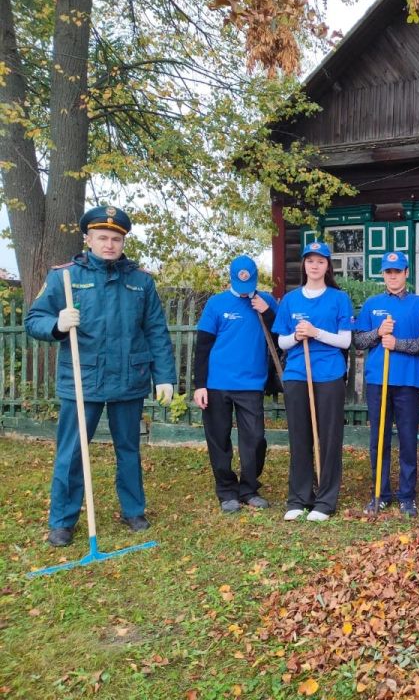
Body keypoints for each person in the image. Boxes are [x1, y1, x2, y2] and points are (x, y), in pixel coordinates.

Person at [25, 205, 176, 547]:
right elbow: (34, 320)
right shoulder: (64, 276)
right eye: (103, 237)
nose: (109, 244)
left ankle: (133, 510)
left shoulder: (140, 281)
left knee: (128, 449)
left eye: (116, 239)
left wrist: (164, 375)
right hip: (83, 379)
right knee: (72, 451)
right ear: (88, 239)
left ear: (123, 242)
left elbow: (156, 330)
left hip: (129, 378)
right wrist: (57, 325)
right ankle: (63, 520)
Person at [272, 241, 353, 523]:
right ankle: (299, 498)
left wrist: (316, 332)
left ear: (328, 266)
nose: (315, 266)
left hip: (328, 374)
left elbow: (346, 339)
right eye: (310, 261)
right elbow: (281, 341)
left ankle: (325, 500)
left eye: (321, 261)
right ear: (304, 265)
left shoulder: (338, 298)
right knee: (299, 436)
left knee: (329, 438)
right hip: (297, 374)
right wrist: (297, 336)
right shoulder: (291, 300)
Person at [353, 251, 419, 517]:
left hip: (407, 382)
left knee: (407, 439)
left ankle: (407, 496)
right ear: (384, 275)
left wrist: (398, 344)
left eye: (397, 271)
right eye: (388, 272)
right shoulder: (372, 304)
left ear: (406, 273)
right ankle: (380, 493)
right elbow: (358, 341)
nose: (393, 276)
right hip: (378, 381)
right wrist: (378, 333)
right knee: (378, 439)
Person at [193, 255, 279, 513]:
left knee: (255, 438)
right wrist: (200, 385)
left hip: (252, 384)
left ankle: (249, 488)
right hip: (217, 384)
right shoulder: (216, 303)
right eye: (240, 284)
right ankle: (226, 490)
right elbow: (203, 347)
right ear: (230, 278)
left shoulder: (266, 301)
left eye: (249, 284)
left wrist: (268, 312)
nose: (245, 291)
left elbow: (280, 335)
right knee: (219, 438)